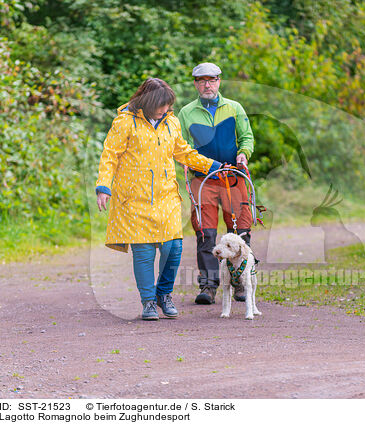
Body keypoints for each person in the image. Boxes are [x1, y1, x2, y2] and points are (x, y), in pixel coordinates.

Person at [96, 78, 222, 320]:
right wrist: (104, 186)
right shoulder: (125, 122)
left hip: (166, 196)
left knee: (173, 248)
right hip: (134, 199)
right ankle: (148, 302)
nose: (166, 110)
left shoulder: (171, 123)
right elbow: (110, 155)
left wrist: (212, 166)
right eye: (162, 105)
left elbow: (183, 152)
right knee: (143, 252)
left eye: (168, 105)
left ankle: (164, 294)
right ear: (148, 102)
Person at [177, 62, 255, 305]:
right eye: (202, 81)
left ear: (219, 81)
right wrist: (185, 162)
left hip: (233, 176)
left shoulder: (234, 107)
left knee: (239, 230)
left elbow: (247, 137)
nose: (207, 85)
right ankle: (209, 286)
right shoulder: (186, 113)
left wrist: (244, 153)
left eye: (211, 80)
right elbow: (180, 145)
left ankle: (241, 283)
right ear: (196, 84)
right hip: (204, 178)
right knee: (205, 232)